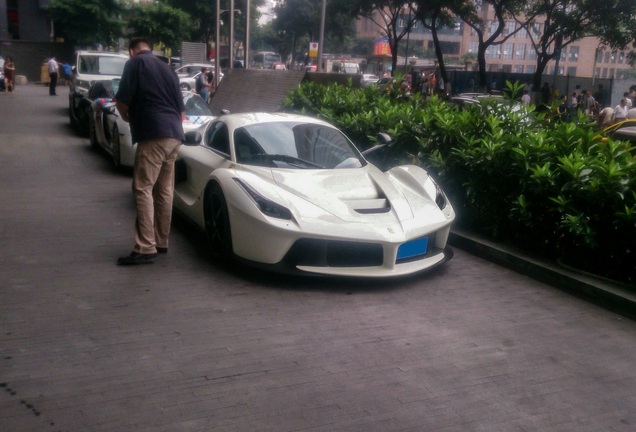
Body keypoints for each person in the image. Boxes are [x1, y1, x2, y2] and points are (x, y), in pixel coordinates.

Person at [115, 37, 186, 266]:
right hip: (174, 135)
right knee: (164, 190)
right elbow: (180, 108)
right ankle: (161, 240)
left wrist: (127, 116)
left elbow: (122, 100)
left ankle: (145, 247)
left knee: (143, 187)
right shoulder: (168, 68)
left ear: (132, 51)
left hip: (153, 133)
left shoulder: (135, 64)